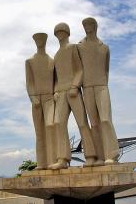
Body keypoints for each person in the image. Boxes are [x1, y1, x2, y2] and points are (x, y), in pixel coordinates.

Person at [49, 23, 97, 169]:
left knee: (82, 122)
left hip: (73, 91)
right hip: (61, 93)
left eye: (62, 32)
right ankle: (63, 159)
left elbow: (79, 70)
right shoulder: (56, 55)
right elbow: (56, 78)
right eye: (57, 33)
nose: (60, 35)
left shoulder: (73, 48)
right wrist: (56, 90)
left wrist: (75, 86)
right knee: (58, 123)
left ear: (67, 33)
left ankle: (90, 156)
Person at [77, 17, 119, 165]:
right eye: (84, 25)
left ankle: (112, 154)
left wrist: (102, 83)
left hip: (101, 86)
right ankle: (100, 157)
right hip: (87, 87)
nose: (86, 27)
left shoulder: (104, 48)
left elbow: (106, 70)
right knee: (94, 123)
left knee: (105, 119)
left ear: (95, 26)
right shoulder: (79, 47)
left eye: (89, 24)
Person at [25, 33, 56, 169]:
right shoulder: (30, 61)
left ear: (45, 41)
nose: (39, 42)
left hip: (50, 98)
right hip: (36, 99)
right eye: (37, 40)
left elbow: (56, 80)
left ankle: (52, 161)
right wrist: (32, 96)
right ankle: (41, 163)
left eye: (41, 40)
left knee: (50, 127)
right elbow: (29, 82)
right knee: (39, 132)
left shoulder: (52, 61)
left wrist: (55, 92)